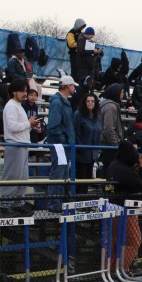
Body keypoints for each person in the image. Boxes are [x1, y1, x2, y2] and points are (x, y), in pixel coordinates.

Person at [106, 140, 142, 274]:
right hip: (124, 209)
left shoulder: (113, 165)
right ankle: (121, 270)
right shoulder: (124, 170)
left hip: (111, 207)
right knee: (133, 241)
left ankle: (111, 271)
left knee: (115, 242)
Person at [2, 79, 38, 215]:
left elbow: (20, 127)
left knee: (22, 177)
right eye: (22, 91)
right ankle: (6, 205)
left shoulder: (18, 106)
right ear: (13, 92)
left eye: (26, 91)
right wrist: (29, 124)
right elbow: (12, 127)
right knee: (13, 176)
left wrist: (31, 126)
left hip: (22, 144)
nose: (25, 94)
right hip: (14, 144)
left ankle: (18, 203)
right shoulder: (11, 106)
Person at [45, 75, 78, 210]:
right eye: (73, 85)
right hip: (60, 144)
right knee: (58, 173)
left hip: (62, 144)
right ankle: (54, 203)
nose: (74, 88)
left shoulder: (60, 101)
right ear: (68, 86)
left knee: (62, 173)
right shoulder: (58, 102)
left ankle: (57, 202)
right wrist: (63, 139)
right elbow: (53, 126)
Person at [73, 92, 102, 194]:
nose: (90, 103)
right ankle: (78, 200)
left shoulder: (97, 116)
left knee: (87, 181)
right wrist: (81, 148)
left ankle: (84, 200)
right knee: (81, 181)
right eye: (88, 101)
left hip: (92, 154)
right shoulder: (78, 115)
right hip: (81, 155)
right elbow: (75, 134)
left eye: (92, 101)